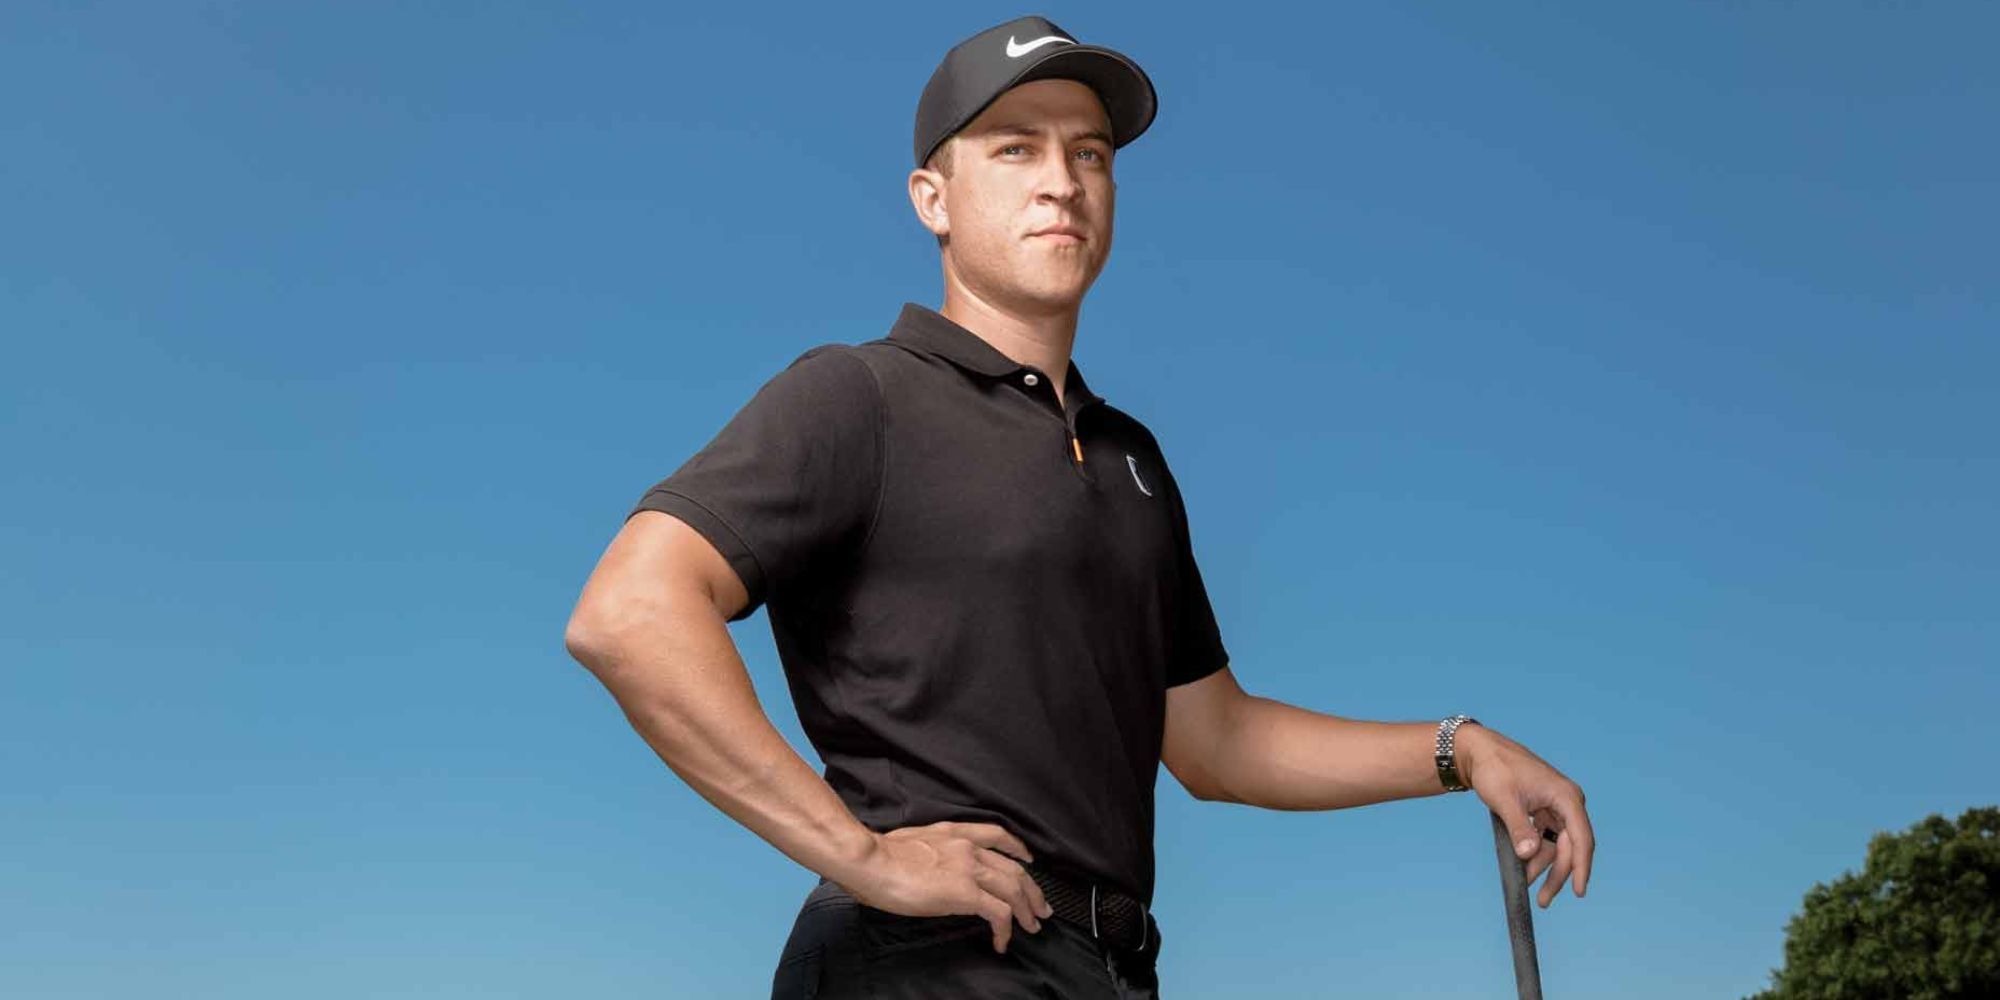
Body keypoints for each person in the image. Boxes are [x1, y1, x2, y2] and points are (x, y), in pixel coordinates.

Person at [562, 14, 1596, 999]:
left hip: (1106, 967)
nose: (1061, 181)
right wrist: (863, 855)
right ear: (932, 196)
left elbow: (1214, 741)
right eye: (1014, 149)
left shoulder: (1130, 460)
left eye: (1089, 154)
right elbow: (629, 613)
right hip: (922, 963)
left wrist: (1461, 749)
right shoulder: (859, 395)